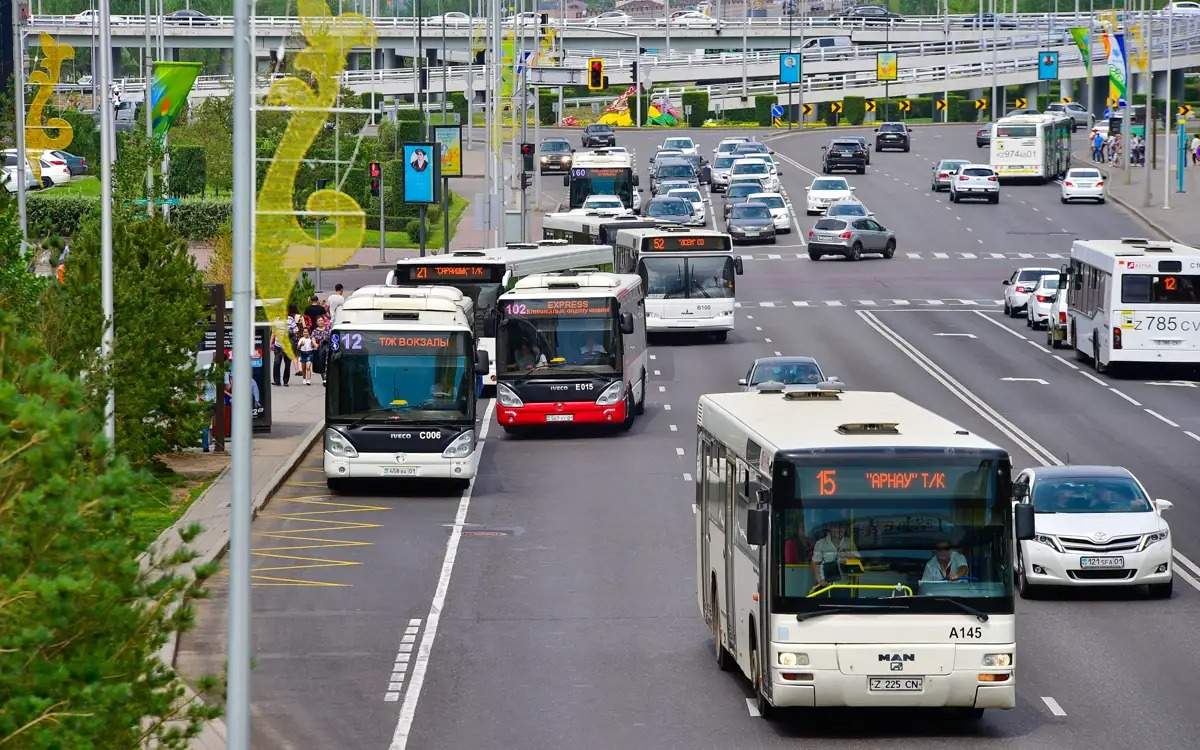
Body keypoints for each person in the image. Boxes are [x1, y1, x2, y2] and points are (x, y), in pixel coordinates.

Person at [811, 523, 860, 587]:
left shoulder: (850, 542)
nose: (839, 530)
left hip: (846, 585)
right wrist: (820, 581)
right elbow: (815, 563)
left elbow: (858, 561)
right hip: (826, 587)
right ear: (830, 528)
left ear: (845, 528)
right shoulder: (820, 543)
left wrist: (848, 558)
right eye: (836, 526)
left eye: (842, 526)